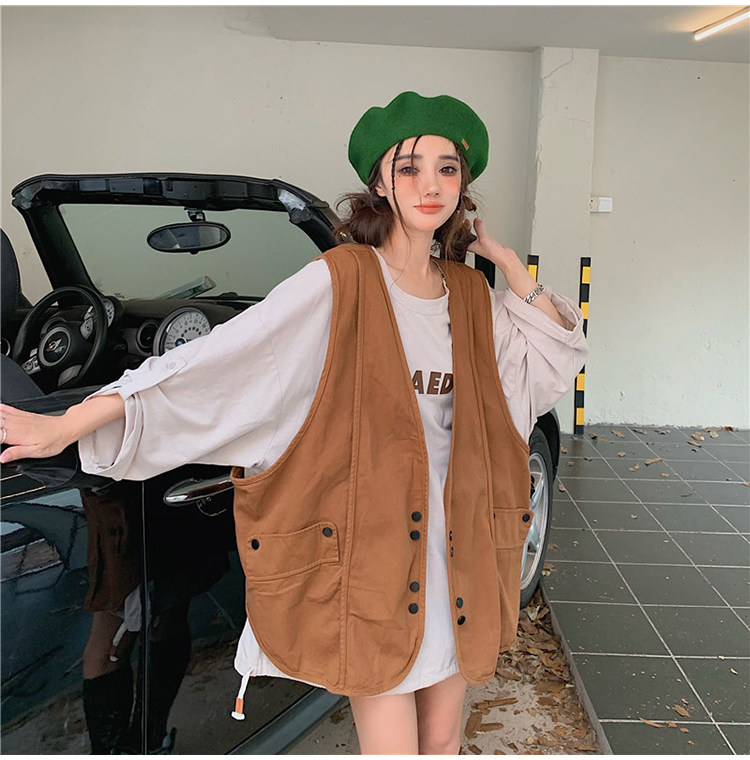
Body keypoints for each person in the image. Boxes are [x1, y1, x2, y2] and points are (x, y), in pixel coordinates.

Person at [0, 91, 588, 755]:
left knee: (444, 739)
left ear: (463, 184)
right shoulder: (341, 280)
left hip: (460, 554)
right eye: (409, 168)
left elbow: (542, 371)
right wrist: (73, 420)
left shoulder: (472, 295)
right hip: (373, 560)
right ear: (379, 183)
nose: (430, 185)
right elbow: (216, 364)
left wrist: (511, 268)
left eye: (447, 169)